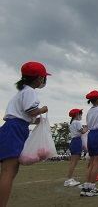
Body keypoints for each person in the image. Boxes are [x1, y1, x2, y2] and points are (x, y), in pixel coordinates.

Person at [0, 62, 50, 207]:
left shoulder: (22, 91)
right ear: (39, 78)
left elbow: (25, 116)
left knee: (10, 171)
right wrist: (42, 110)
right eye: (44, 77)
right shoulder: (29, 91)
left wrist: (38, 120)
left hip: (15, 128)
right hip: (14, 130)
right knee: (9, 171)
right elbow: (31, 111)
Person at [64, 109, 88, 187]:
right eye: (80, 114)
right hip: (77, 141)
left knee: (73, 162)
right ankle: (69, 179)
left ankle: (69, 178)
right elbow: (82, 132)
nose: (81, 116)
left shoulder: (73, 123)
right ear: (77, 114)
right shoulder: (77, 122)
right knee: (74, 162)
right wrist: (87, 128)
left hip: (74, 141)